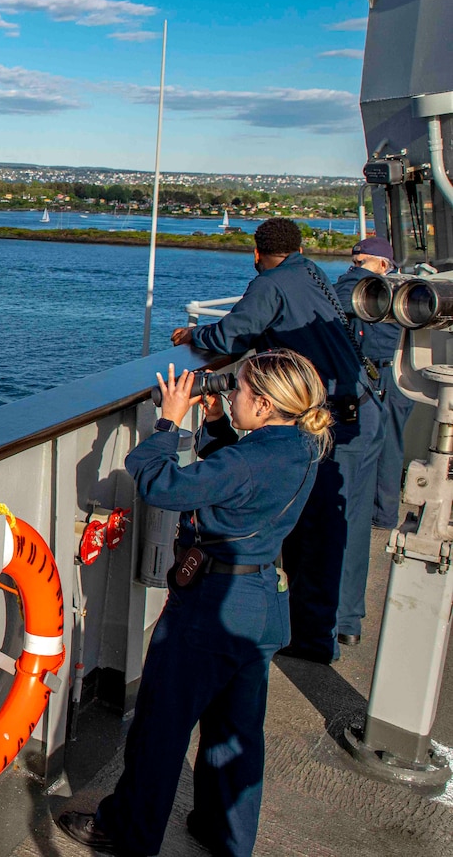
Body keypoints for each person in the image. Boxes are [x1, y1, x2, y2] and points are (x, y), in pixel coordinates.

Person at [57, 352, 332, 857]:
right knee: (234, 732)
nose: (231, 395)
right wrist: (215, 421)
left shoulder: (249, 460)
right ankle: (223, 833)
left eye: (239, 392)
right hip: (263, 604)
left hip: (212, 610)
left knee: (162, 725)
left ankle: (127, 831)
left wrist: (169, 420)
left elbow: (163, 485)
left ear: (265, 405)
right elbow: (242, 482)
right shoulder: (303, 443)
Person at [169, 218, 383, 660]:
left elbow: (231, 334)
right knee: (347, 526)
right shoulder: (311, 273)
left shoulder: (271, 283)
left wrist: (195, 335)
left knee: (319, 533)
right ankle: (345, 623)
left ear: (256, 252)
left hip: (335, 422)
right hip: (361, 410)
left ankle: (314, 639)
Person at [334, 235, 411, 532]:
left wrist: (355, 278)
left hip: (389, 376)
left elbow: (339, 299)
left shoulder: (385, 290)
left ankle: (382, 515)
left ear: (382, 264)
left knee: (387, 446)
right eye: (353, 264)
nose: (355, 270)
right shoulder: (376, 289)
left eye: (361, 264)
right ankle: (377, 511)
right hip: (376, 374)